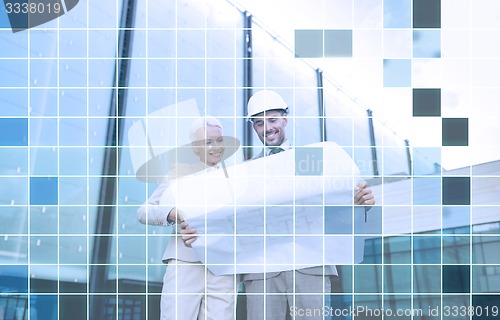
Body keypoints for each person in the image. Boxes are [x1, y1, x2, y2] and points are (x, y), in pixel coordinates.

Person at [242, 89, 376, 320]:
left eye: (272, 120)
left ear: (285, 119)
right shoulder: (246, 172)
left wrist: (358, 203)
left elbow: (335, 201)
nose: (267, 128)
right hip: (262, 270)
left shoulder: (311, 160)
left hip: (309, 264)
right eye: (259, 123)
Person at [137, 116, 235, 320]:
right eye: (208, 142)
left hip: (223, 267)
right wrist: (173, 214)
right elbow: (144, 211)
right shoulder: (179, 174)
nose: (216, 147)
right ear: (194, 147)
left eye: (219, 140)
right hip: (185, 261)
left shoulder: (235, 177)